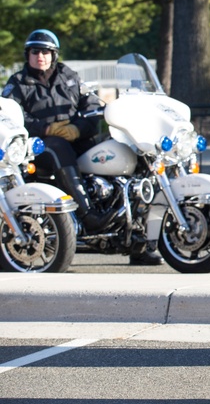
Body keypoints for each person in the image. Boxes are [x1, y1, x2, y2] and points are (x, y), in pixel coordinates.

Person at [2, 29, 162, 266]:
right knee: (57, 147)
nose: (40, 56)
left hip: (76, 139)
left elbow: (92, 106)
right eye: (35, 51)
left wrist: (78, 128)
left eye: (46, 51)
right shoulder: (17, 83)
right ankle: (89, 215)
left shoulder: (69, 77)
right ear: (28, 54)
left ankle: (139, 241)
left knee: (128, 152)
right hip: (38, 147)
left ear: (53, 55)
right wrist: (46, 129)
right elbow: (11, 118)